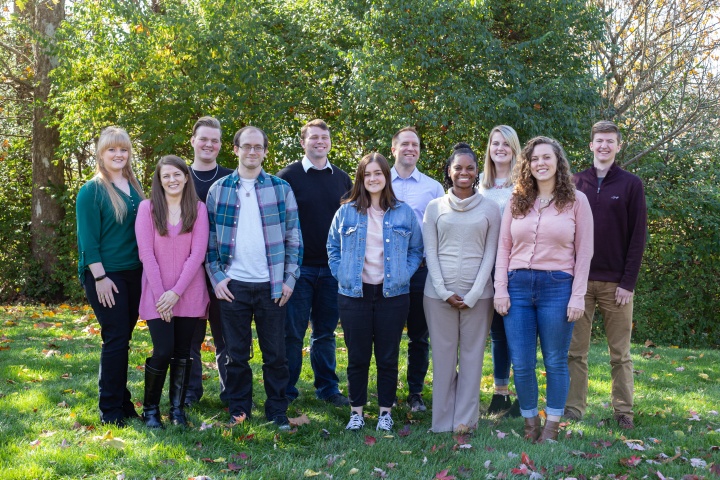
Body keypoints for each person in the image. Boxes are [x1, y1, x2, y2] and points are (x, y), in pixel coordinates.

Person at [494, 136, 593, 443]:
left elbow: (584, 252)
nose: (540, 163)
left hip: (557, 288)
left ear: (558, 162)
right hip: (518, 286)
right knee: (522, 362)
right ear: (528, 164)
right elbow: (503, 248)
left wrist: (578, 296)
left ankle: (551, 426)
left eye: (546, 157)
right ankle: (529, 425)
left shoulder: (577, 201)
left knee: (554, 360)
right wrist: (501, 289)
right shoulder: (516, 200)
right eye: (534, 159)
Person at [205, 126, 302, 430]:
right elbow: (207, 242)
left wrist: (290, 279)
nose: (252, 152)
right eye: (246, 146)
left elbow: (293, 238)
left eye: (258, 147)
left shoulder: (280, 188)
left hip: (272, 286)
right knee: (235, 356)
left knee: (276, 355)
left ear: (264, 151)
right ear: (235, 149)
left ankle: (276, 410)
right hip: (233, 286)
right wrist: (217, 277)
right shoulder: (219, 190)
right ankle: (239, 410)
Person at [327, 153, 423, 431]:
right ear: (360, 178)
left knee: (387, 356)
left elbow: (416, 249)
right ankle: (356, 412)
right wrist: (342, 273)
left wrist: (404, 273)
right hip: (353, 294)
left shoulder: (403, 212)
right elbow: (332, 248)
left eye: (377, 173)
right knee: (357, 356)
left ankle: (385, 412)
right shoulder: (346, 211)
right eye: (367, 174)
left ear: (386, 177)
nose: (372, 179)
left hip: (392, 295)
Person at [567, 121, 647, 430]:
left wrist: (628, 282)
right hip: (580, 282)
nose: (604, 146)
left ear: (618, 145)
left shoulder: (631, 185)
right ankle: (574, 409)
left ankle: (623, 411)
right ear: (591, 145)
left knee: (620, 354)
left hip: (617, 285)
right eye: (599, 140)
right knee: (575, 352)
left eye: (610, 141)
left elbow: (637, 237)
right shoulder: (574, 183)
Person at [423, 143, 501, 432]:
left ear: (477, 172)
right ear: (449, 171)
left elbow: (490, 254)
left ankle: (465, 421)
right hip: (437, 296)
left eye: (470, 168)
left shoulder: (491, 208)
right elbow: (430, 253)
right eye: (458, 167)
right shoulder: (435, 207)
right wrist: (444, 292)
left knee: (472, 358)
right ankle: (442, 421)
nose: (464, 172)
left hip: (479, 297)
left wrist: (473, 294)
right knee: (443, 358)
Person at [277, 119, 352, 406]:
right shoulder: (288, 177)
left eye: (325, 137)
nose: (320, 142)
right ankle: (286, 390)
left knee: (325, 333)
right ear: (303, 142)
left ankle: (328, 388)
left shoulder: (343, 179)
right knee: (292, 333)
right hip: (298, 269)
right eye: (314, 138)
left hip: (332, 269)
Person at [76, 126, 145, 426]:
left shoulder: (135, 184)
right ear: (101, 154)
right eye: (112, 150)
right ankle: (110, 410)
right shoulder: (92, 190)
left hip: (134, 273)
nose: (118, 154)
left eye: (123, 149)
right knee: (115, 338)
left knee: (122, 338)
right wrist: (101, 278)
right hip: (105, 275)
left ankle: (123, 402)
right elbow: (87, 241)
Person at [135, 155, 210, 428]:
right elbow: (146, 254)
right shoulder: (148, 209)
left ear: (186, 177)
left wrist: (176, 292)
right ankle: (151, 410)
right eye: (166, 176)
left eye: (177, 174)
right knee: (163, 349)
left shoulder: (198, 209)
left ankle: (177, 410)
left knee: (183, 351)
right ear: (159, 180)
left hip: (189, 293)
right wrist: (161, 295)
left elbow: (197, 254)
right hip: (157, 294)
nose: (172, 180)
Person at [389, 126, 445, 412]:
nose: (411, 148)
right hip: (384, 270)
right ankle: (385, 392)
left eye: (416, 145)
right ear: (393, 149)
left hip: (421, 271)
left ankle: (415, 394)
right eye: (405, 144)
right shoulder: (378, 179)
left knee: (419, 337)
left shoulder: (433, 187)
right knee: (385, 335)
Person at [185, 116, 234, 407]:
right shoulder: (178, 175)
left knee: (227, 338)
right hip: (187, 271)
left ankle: (232, 394)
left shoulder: (231, 178)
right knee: (190, 337)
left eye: (214, 140)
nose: (208, 144)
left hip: (225, 269)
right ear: (192, 141)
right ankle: (190, 394)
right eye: (203, 138)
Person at [478, 125, 522, 417]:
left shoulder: (524, 183)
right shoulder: (480, 183)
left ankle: (524, 394)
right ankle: (500, 393)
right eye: (495, 143)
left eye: (506, 144)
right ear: (489, 148)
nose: (500, 148)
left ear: (514, 149)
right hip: (486, 265)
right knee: (497, 333)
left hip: (517, 266)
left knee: (519, 332)